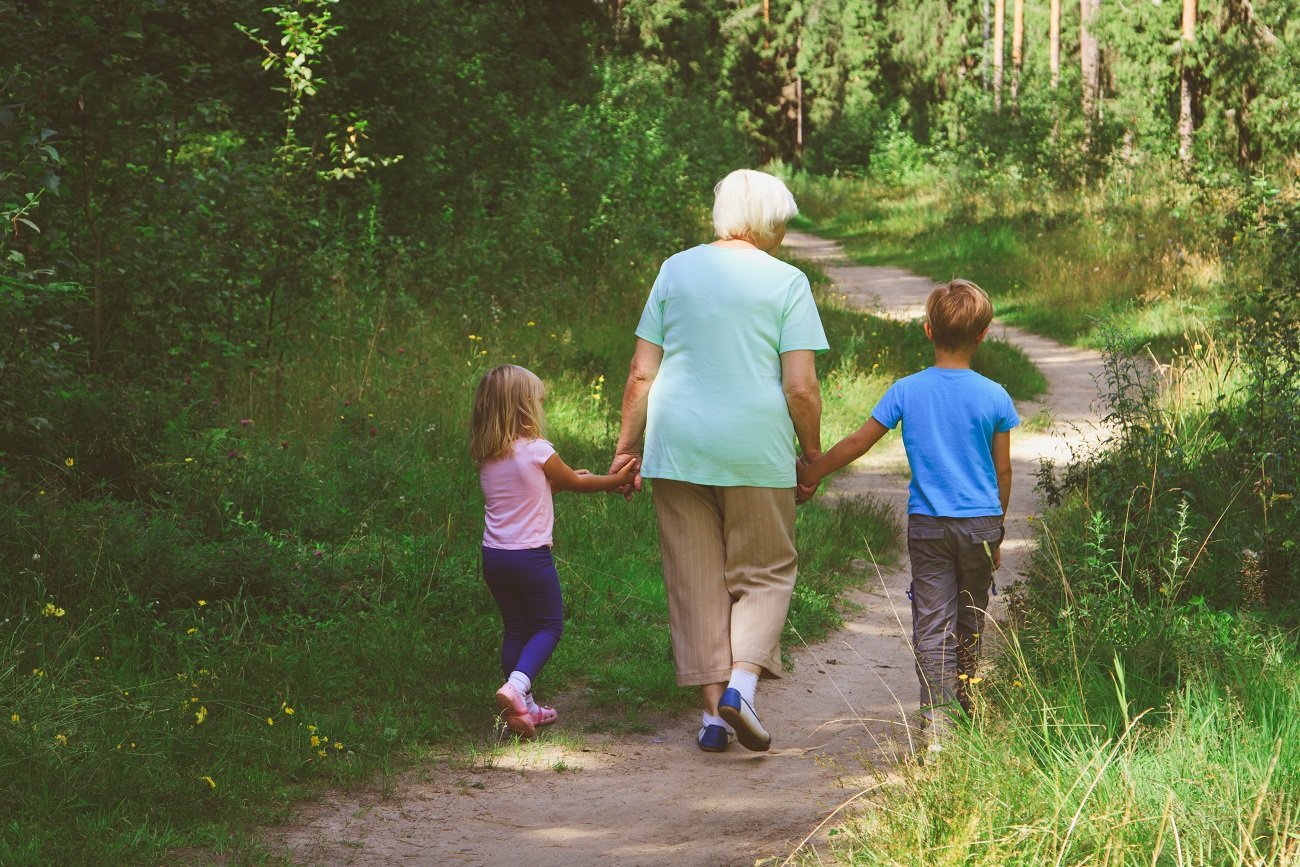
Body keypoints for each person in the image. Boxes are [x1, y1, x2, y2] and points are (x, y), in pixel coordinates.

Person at [609, 169, 828, 753]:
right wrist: (812, 453)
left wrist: (627, 449)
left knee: (695, 578)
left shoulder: (674, 270)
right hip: (756, 446)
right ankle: (741, 687)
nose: (783, 234)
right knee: (764, 571)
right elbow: (801, 387)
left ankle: (711, 717)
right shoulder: (787, 282)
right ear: (767, 221)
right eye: (781, 223)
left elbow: (640, 373)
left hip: (677, 444)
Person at [797, 279, 1017, 748]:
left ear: (927, 331)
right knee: (970, 619)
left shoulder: (906, 390)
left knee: (931, 622)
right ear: (983, 335)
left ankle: (938, 726)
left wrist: (814, 470)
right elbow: (1003, 472)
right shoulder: (995, 395)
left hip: (929, 527)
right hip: (981, 524)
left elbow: (858, 442)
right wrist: (996, 535)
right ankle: (964, 703)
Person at [471, 364, 639, 739]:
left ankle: (525, 708)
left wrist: (565, 481)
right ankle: (516, 687)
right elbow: (574, 483)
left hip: (495, 556)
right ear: (524, 407)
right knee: (549, 626)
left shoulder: (487, 454)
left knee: (516, 626)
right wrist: (618, 479)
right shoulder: (537, 450)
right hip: (530, 557)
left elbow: (538, 491)